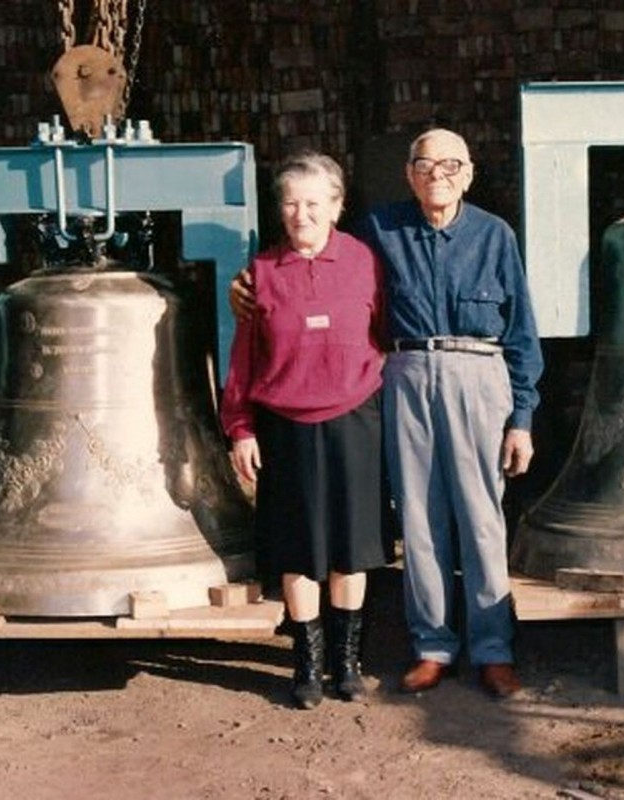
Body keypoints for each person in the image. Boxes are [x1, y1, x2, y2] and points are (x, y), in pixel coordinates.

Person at [232, 128, 543, 699]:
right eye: (425, 164)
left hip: (478, 374)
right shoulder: (380, 231)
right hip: (405, 375)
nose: (438, 175)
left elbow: (522, 329)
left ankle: (493, 650)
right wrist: (248, 286)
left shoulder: (494, 236)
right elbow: (315, 263)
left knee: (481, 517)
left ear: (469, 173)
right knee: (419, 518)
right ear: (409, 174)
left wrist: (522, 415)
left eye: (451, 165)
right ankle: (433, 646)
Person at [220, 151, 388, 710]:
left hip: (354, 422)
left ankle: (347, 664)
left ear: (337, 207)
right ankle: (306, 667)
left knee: (351, 548)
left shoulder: (366, 261)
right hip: (286, 427)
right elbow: (242, 361)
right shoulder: (260, 275)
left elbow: (387, 331)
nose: (302, 214)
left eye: (314, 202)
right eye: (291, 203)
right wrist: (241, 428)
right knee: (299, 551)